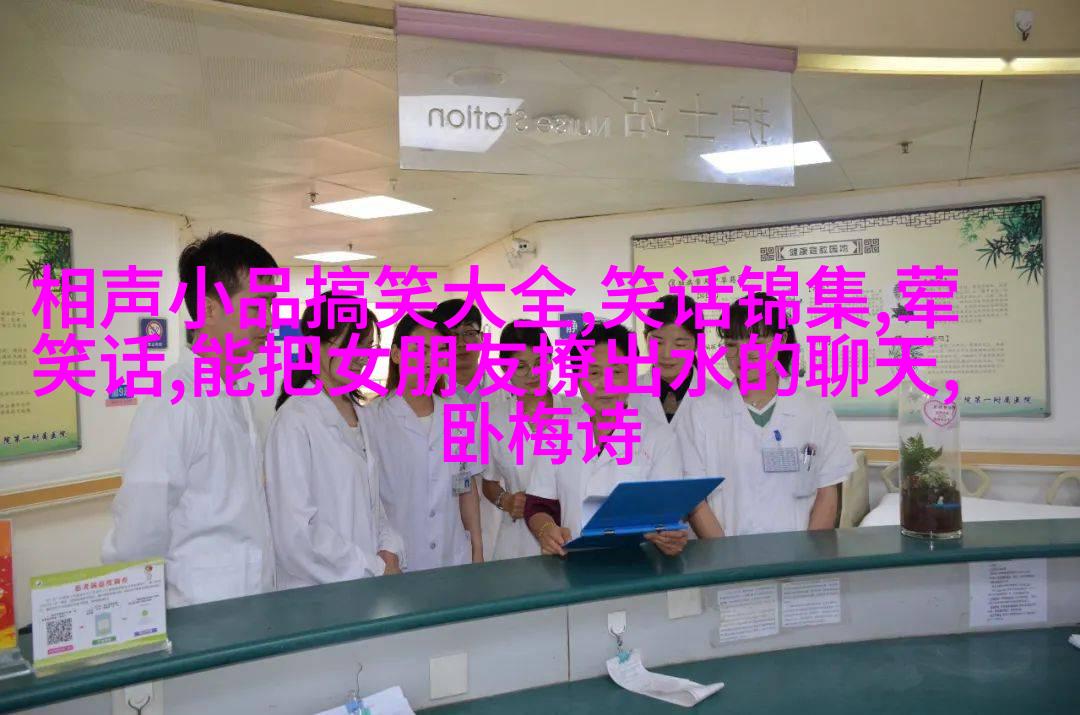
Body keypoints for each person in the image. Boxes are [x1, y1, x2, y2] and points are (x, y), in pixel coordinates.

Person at [102, 232, 277, 607]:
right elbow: (139, 527)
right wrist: (135, 616)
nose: (268, 321)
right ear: (210, 309)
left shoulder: (237, 395)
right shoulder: (175, 399)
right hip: (199, 611)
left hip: (249, 604)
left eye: (272, 305)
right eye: (257, 306)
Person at [524, 324, 723, 557]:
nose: (605, 383)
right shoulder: (556, 433)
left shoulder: (658, 437)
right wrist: (546, 530)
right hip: (573, 564)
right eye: (594, 373)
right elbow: (538, 504)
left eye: (617, 372)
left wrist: (668, 537)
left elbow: (665, 513)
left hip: (641, 567)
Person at [677, 293, 855, 536]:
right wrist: (723, 555)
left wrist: (808, 554)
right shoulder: (701, 412)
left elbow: (827, 491)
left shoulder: (814, 410)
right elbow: (696, 498)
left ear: (782, 340)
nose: (744, 355)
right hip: (726, 553)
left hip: (799, 553)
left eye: (757, 343)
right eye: (732, 345)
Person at [264, 296, 404, 588]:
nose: (362, 356)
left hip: (365, 585)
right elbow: (296, 535)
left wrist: (389, 549)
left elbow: (373, 505)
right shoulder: (294, 421)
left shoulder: (361, 415)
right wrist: (372, 567)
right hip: (317, 593)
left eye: (368, 346)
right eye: (353, 343)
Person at [364, 312, 483, 571]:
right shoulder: (372, 419)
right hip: (397, 562)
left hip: (453, 557)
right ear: (396, 354)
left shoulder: (456, 413)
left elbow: (466, 486)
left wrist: (477, 551)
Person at [481, 322, 563, 560]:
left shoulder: (577, 412)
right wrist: (505, 501)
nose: (533, 374)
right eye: (521, 367)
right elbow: (488, 481)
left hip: (566, 535)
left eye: (540, 362)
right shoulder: (494, 418)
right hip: (516, 545)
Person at [629, 294, 718, 429]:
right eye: (658, 342)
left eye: (679, 344)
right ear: (645, 338)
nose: (667, 354)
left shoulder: (719, 399)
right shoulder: (626, 395)